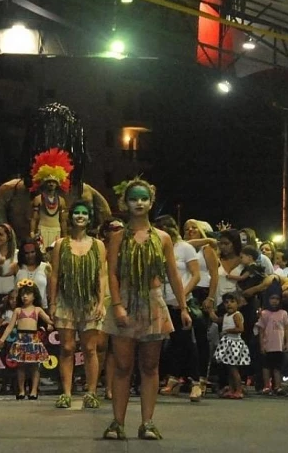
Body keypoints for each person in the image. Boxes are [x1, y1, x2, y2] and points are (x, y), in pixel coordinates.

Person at [101, 178, 192, 441]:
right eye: (133, 198)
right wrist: (117, 305)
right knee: (122, 366)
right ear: (125, 203)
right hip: (126, 303)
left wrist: (183, 306)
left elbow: (173, 274)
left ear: (151, 202)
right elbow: (113, 273)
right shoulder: (118, 237)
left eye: (143, 198)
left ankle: (148, 422)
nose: (139, 203)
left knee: (151, 367)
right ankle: (117, 422)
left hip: (153, 302)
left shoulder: (163, 238)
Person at [49, 201, 108, 409]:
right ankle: (66, 392)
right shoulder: (60, 245)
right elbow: (55, 275)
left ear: (89, 218)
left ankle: (91, 392)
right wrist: (53, 302)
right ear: (71, 216)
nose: (80, 216)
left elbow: (102, 276)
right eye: (77, 213)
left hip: (90, 301)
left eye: (84, 213)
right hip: (66, 300)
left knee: (90, 348)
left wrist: (101, 302)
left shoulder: (98, 245)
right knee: (66, 347)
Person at [154, 215, 203, 402]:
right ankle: (174, 378)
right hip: (161, 299)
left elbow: (196, 275)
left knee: (187, 342)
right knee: (171, 343)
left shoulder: (185, 248)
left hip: (180, 300)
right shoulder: (158, 247)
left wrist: (182, 294)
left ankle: (196, 382)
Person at [0, 280, 53, 399]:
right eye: (22, 294)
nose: (25, 296)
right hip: (21, 339)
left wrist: (51, 324)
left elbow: (49, 320)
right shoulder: (18, 310)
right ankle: (21, 390)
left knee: (35, 366)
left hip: (33, 339)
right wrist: (2, 339)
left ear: (34, 296)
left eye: (28, 294)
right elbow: (10, 326)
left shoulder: (37, 310)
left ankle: (33, 391)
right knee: (20, 366)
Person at [29, 148, 73, 249]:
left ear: (57, 184)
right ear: (45, 183)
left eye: (53, 182)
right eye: (49, 182)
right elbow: (34, 218)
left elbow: (63, 220)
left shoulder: (61, 200)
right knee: (42, 253)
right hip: (42, 230)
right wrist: (32, 232)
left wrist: (65, 235)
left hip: (56, 230)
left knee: (55, 254)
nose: (51, 184)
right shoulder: (38, 199)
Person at [211, 292, 251, 399]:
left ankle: (238, 389)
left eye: (232, 302)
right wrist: (210, 310)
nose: (229, 304)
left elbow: (240, 328)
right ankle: (232, 389)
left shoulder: (237, 315)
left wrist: (227, 330)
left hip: (234, 344)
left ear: (238, 304)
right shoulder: (226, 315)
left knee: (233, 369)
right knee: (229, 369)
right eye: (226, 302)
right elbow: (216, 320)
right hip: (227, 343)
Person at [256, 281, 288, 396]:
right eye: (272, 298)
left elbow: (287, 328)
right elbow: (261, 330)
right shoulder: (264, 314)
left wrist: (287, 342)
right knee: (266, 367)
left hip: (279, 346)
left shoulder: (283, 313)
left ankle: (278, 386)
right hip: (268, 345)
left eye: (277, 299)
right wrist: (262, 345)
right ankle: (266, 386)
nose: (274, 301)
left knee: (277, 367)